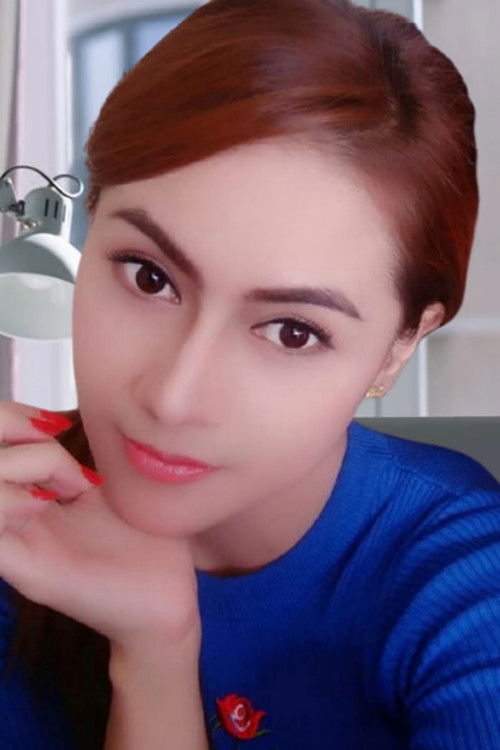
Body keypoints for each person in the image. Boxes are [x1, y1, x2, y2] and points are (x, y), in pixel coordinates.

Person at [1, 0, 499, 747]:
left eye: (293, 331)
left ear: (400, 347)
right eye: (148, 277)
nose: (172, 398)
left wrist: (157, 658)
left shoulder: (464, 583)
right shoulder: (18, 533)